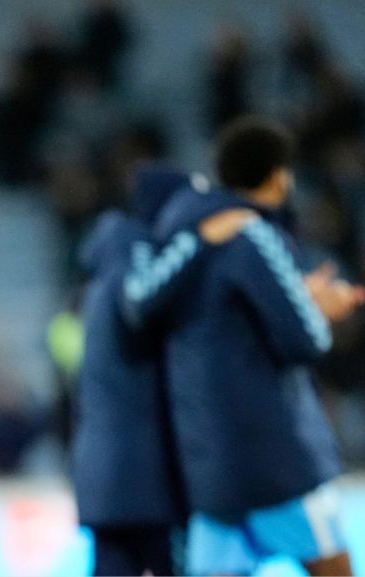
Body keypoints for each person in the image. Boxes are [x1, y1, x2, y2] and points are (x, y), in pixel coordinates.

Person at [138, 116, 363, 576]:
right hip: (275, 460)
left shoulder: (187, 237)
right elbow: (305, 339)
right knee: (334, 568)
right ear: (279, 175)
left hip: (211, 466)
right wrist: (319, 306)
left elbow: (152, 305)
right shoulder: (254, 233)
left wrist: (292, 293)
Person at [72, 165, 255, 576]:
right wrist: (200, 240)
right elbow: (141, 303)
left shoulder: (107, 264)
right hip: (145, 473)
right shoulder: (134, 248)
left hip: (108, 470)